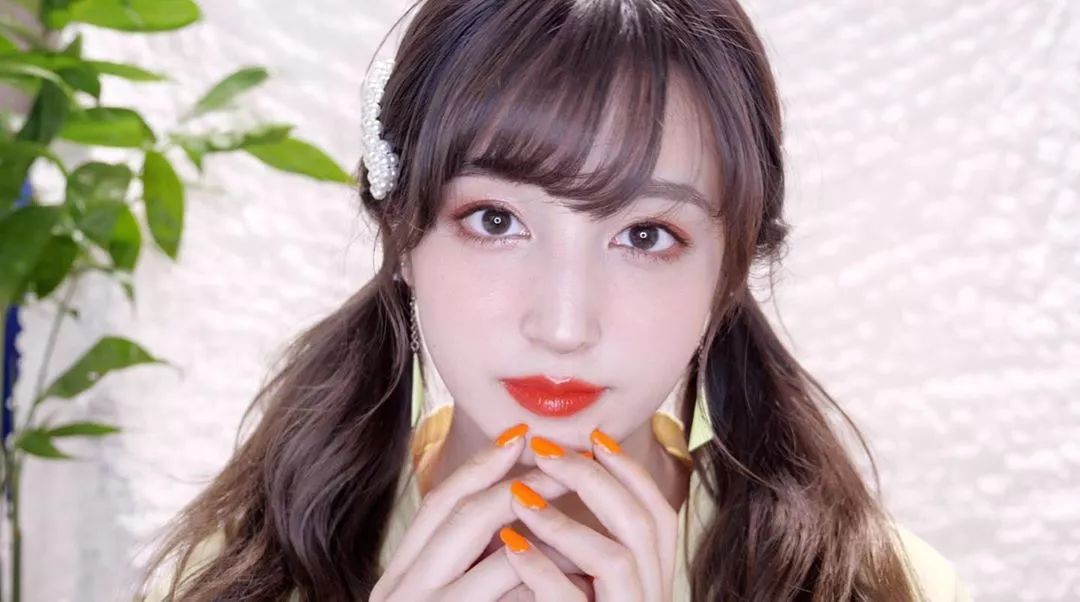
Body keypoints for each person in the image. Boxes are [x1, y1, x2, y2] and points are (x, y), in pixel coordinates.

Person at [138, 0, 972, 600]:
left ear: (728, 270)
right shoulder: (228, 577)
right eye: (496, 220)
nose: (564, 326)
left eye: (645, 235)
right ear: (402, 232)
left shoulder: (888, 586)